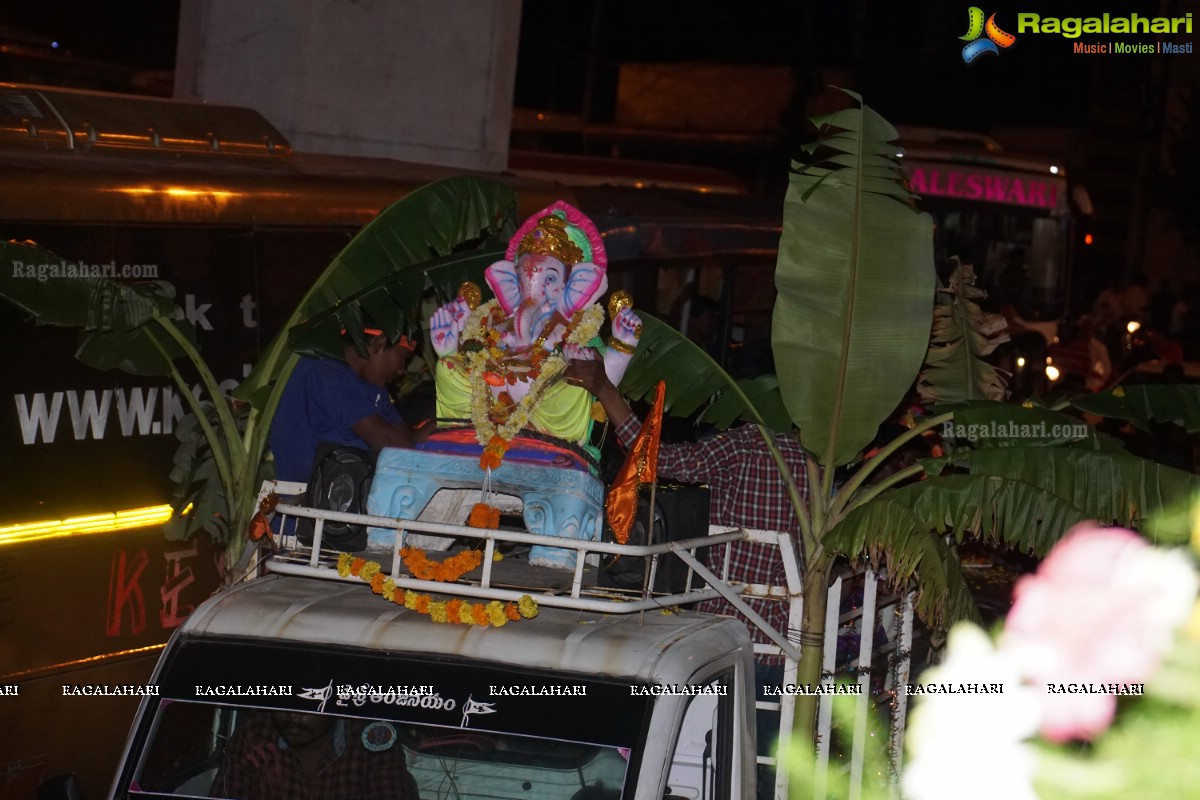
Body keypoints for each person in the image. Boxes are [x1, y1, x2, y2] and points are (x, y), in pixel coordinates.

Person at [564, 349, 808, 799]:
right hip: (782, 646)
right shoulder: (814, 462)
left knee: (692, 765)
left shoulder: (748, 444)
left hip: (723, 640)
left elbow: (659, 459)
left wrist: (605, 390)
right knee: (758, 776)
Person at [268, 328, 430, 483]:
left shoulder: (371, 384)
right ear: (379, 343)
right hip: (311, 498)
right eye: (402, 358)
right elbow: (393, 447)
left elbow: (406, 441)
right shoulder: (326, 371)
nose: (402, 370)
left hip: (345, 490)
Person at [212, 710, 419, 799]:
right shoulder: (257, 733)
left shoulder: (371, 741)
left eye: (309, 704)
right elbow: (224, 795)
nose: (293, 716)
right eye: (284, 704)